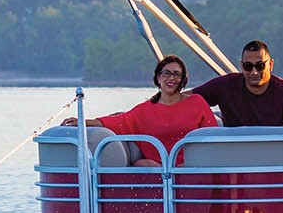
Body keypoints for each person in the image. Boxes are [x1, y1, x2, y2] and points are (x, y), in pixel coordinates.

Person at [74, 53, 217, 166]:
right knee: (142, 165)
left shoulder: (196, 102)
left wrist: (190, 165)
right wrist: (82, 122)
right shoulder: (144, 110)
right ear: (158, 77)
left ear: (183, 79)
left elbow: (213, 135)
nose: (171, 78)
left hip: (191, 167)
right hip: (155, 169)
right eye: (166, 73)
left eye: (176, 74)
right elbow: (117, 122)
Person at [193, 40, 283, 127]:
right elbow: (185, 99)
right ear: (241, 66)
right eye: (248, 66)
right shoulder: (225, 86)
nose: (254, 72)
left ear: (270, 65)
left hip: (275, 155)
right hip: (235, 155)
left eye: (260, 66)